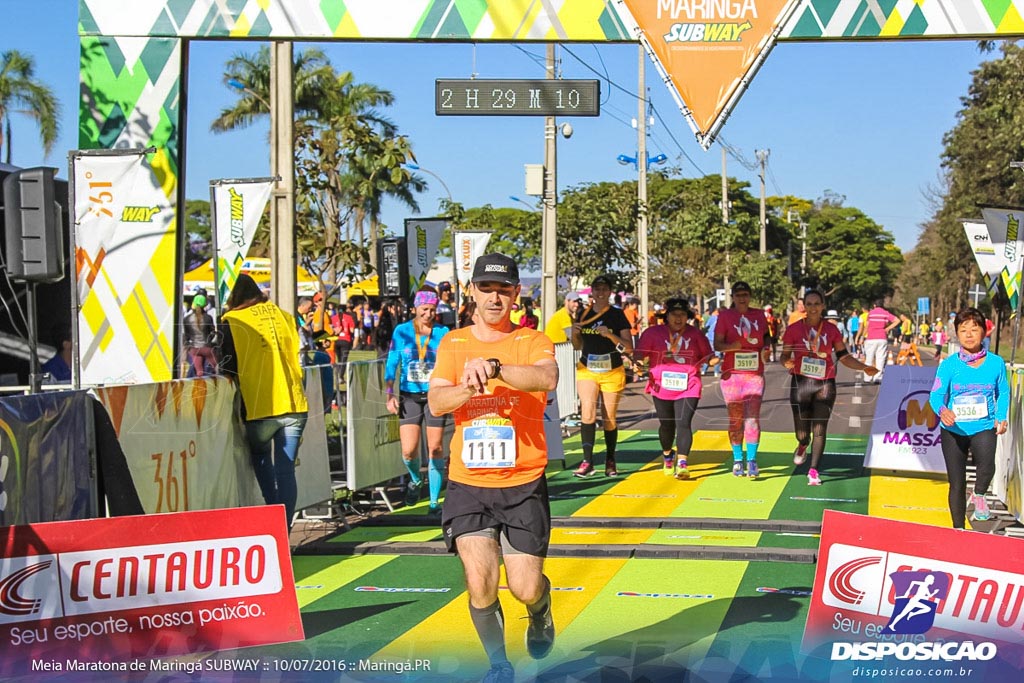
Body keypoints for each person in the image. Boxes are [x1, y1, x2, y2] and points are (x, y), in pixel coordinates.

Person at [427, 253, 558, 683]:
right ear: (472, 293)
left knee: (523, 587)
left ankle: (541, 609)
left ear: (516, 294)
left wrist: (498, 369)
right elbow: (436, 403)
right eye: (487, 289)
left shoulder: (532, 340)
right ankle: (499, 665)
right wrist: (468, 384)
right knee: (480, 581)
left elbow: (547, 378)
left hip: (522, 482)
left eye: (504, 290)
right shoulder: (453, 343)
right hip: (469, 482)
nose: (495, 298)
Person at [219, 274, 309, 528]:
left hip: (259, 405)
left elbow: (228, 366)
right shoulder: (285, 316)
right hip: (294, 403)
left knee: (260, 457)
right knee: (286, 470)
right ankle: (285, 528)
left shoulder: (231, 320)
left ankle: (273, 519)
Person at [781, 290, 879, 485]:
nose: (813, 307)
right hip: (801, 383)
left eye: (817, 303)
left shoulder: (831, 330)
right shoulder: (793, 329)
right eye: (809, 304)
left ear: (823, 306)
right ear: (804, 307)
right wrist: (787, 362)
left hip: (825, 383)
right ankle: (802, 444)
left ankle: (814, 469)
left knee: (819, 428)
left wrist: (864, 366)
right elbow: (784, 355)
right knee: (802, 433)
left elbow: (843, 356)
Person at [928, 308, 1009, 529]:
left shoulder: (996, 363)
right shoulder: (949, 364)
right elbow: (935, 395)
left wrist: (1001, 416)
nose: (969, 334)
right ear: (956, 334)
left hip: (983, 425)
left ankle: (980, 493)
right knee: (956, 483)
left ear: (984, 332)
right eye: (963, 330)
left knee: (987, 467)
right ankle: (958, 529)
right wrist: (943, 410)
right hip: (953, 429)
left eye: (975, 329)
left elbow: (1002, 392)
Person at [385, 288, 451, 515]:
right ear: (415, 309)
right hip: (409, 394)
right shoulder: (402, 331)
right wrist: (389, 392)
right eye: (424, 309)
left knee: (435, 448)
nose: (429, 314)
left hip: (435, 395)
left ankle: (434, 503)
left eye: (433, 310)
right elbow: (392, 362)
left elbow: (451, 361)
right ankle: (415, 479)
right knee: (409, 451)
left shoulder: (443, 332)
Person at [634, 298, 715, 479]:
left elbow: (708, 356)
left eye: (683, 315)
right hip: (661, 385)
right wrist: (638, 364)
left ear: (688, 317)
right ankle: (667, 454)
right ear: (666, 316)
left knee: (683, 422)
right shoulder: (653, 333)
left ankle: (682, 463)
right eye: (674, 315)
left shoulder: (695, 334)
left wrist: (717, 361)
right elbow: (640, 355)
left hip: (689, 385)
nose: (678, 319)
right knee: (667, 425)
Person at [571, 274, 633, 478]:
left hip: (612, 370)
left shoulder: (617, 315)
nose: (600, 293)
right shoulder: (583, 312)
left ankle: (610, 459)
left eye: (604, 289)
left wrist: (609, 335)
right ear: (592, 292)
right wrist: (575, 333)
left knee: (609, 418)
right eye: (597, 289)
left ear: (610, 292)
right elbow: (577, 346)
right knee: (587, 412)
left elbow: (629, 348)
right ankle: (587, 461)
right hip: (587, 368)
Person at [714, 281, 771, 478]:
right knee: (735, 419)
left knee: (752, 418)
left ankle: (753, 460)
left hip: (754, 374)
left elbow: (767, 335)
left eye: (745, 294)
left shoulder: (759, 315)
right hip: (732, 376)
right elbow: (718, 344)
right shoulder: (725, 316)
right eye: (738, 294)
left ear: (750, 296)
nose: (742, 298)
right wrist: (732, 346)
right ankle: (738, 460)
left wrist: (766, 348)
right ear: (733, 297)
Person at [859, 298, 900, 383]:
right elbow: (897, 320)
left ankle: (868, 378)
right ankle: (877, 377)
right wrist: (888, 328)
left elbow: (867, 326)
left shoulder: (870, 313)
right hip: (882, 338)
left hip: (871, 338)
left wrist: (862, 337)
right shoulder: (885, 313)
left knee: (869, 358)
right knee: (880, 359)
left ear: (874, 305)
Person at [183, 294, 217, 377]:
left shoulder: (187, 318)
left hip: (194, 349)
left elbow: (186, 335)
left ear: (193, 304)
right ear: (205, 305)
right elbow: (212, 333)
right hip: (207, 348)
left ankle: (200, 389)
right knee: (216, 368)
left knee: (199, 372)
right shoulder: (208, 318)